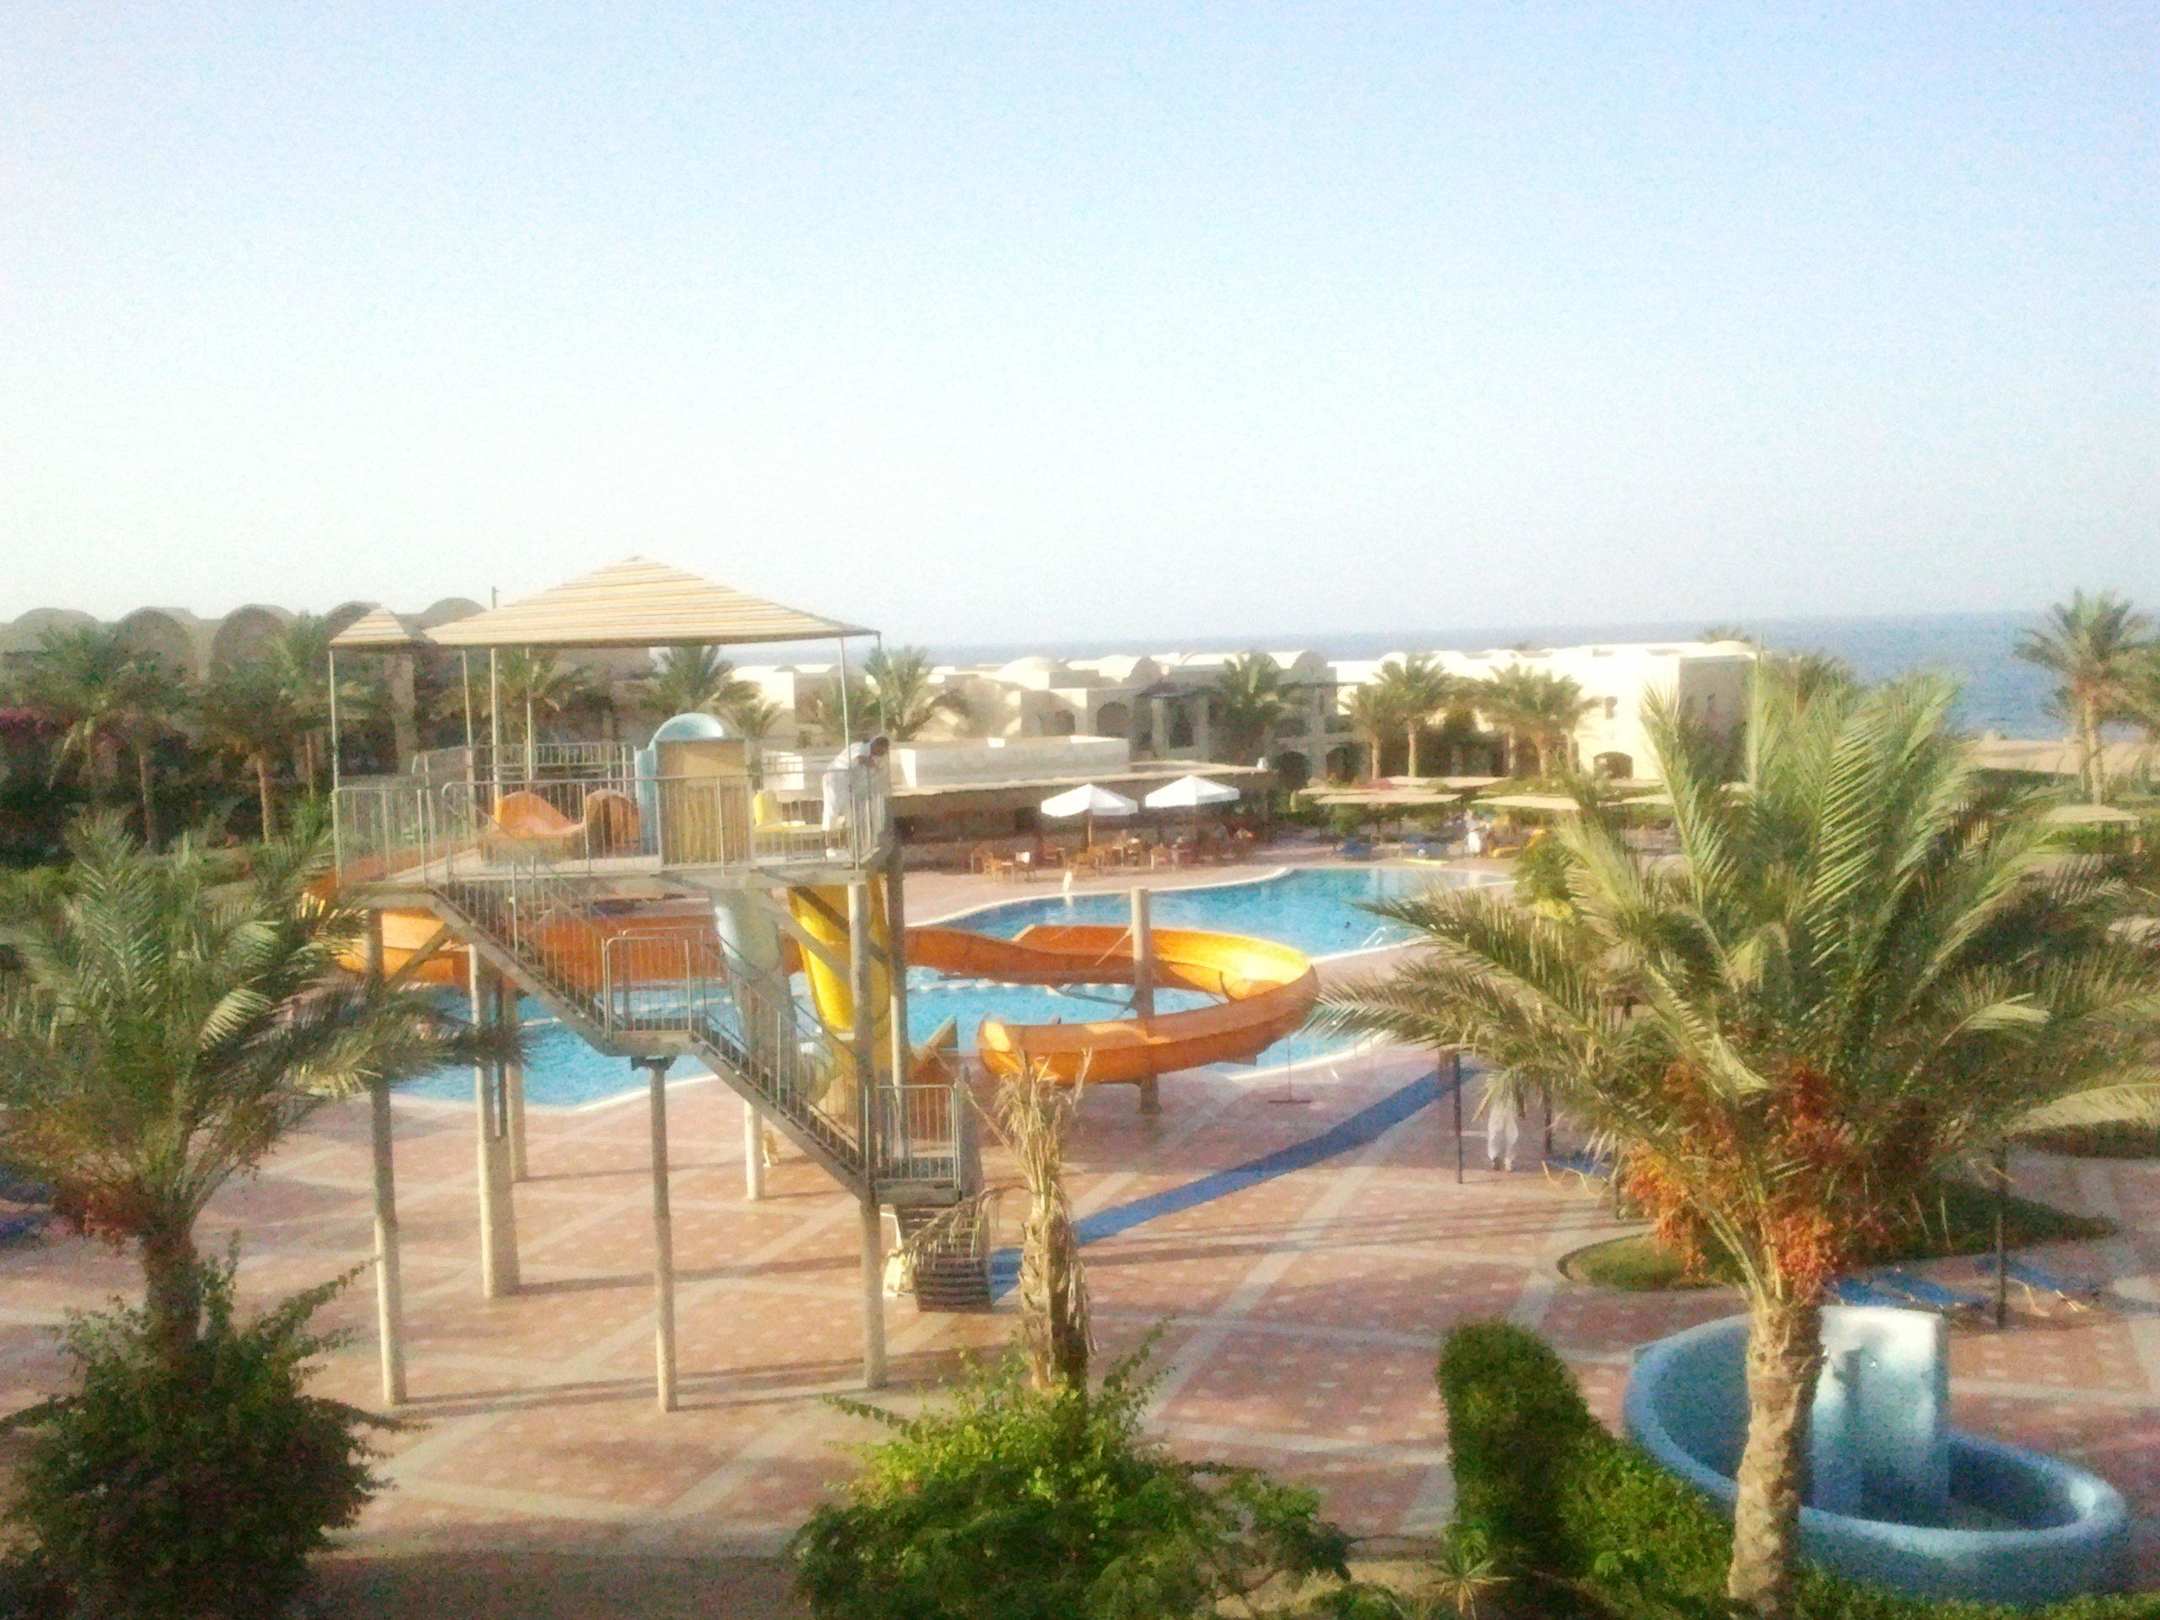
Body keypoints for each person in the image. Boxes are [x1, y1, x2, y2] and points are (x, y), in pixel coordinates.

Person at [822, 735, 892, 851]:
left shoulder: (870, 755)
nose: (880, 755)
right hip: (834, 779)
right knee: (832, 810)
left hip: (847, 783)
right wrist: (873, 765)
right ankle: (828, 844)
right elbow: (859, 759)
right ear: (876, 745)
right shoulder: (860, 748)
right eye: (880, 751)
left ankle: (847, 844)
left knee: (849, 813)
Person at [1484, 1074, 1522, 1172]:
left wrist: (1521, 1108)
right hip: (1497, 1108)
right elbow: (1488, 1093)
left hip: (1511, 1107)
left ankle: (1509, 1160)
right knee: (1494, 1133)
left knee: (1512, 1135)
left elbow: (1519, 1092)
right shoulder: (1493, 1075)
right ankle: (1494, 1158)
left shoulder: (1515, 1076)